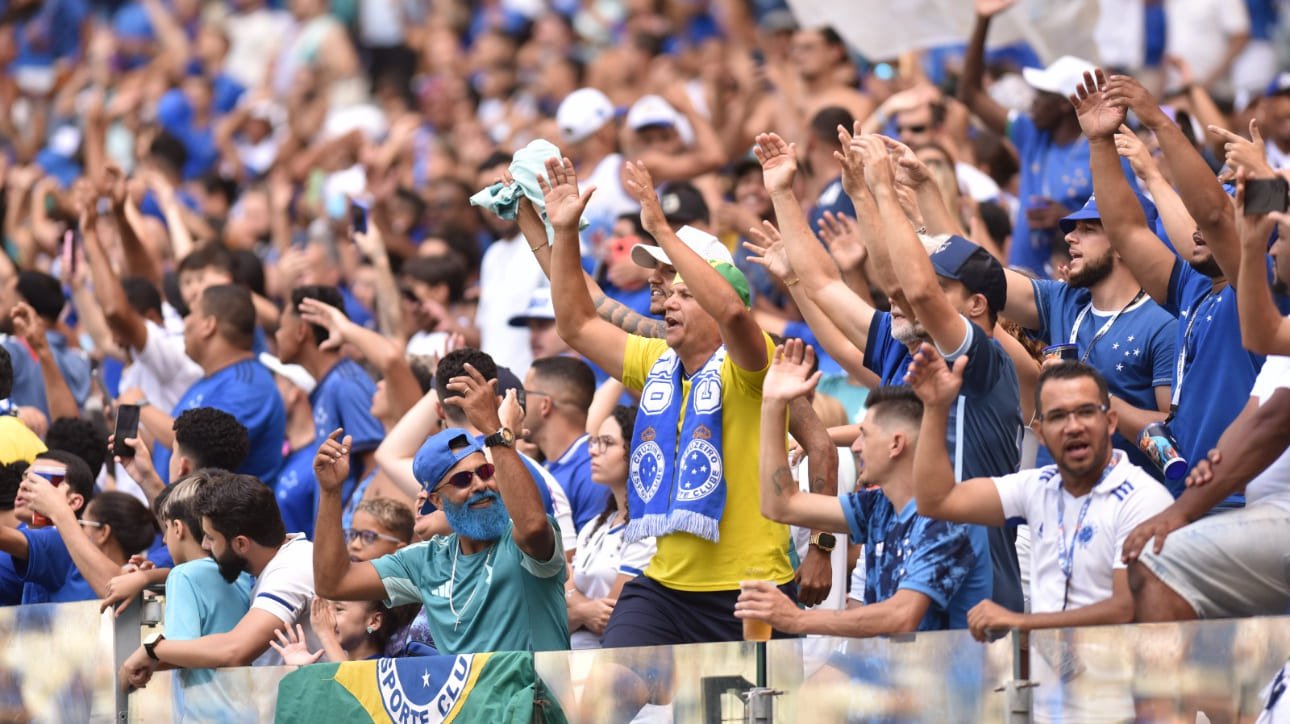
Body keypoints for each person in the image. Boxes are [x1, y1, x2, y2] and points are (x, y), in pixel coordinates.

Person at [750, 131, 1024, 613]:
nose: (900, 293)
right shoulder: (910, 350)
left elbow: (914, 288)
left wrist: (878, 189)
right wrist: (782, 194)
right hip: (900, 566)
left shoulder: (983, 364)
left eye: (942, 286)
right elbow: (825, 283)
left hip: (971, 606)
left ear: (976, 305)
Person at [545, 153, 795, 647]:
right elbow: (575, 323)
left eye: (683, 293)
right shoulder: (656, 360)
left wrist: (660, 228)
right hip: (665, 584)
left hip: (749, 586)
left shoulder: (751, 359)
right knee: (606, 698)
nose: (665, 301)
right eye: (665, 292)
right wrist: (563, 233)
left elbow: (732, 313)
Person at [1074, 69, 1278, 501]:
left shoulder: (1260, 288)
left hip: (1239, 501)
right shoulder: (1194, 289)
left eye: (1215, 212)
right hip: (1184, 497)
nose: (1197, 226)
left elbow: (1216, 216)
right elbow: (1127, 231)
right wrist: (1099, 144)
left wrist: (1159, 122)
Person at [908, 352, 1172, 640]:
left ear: (1110, 422)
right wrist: (935, 408)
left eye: (1085, 412)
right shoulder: (1038, 485)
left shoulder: (1144, 498)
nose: (1073, 427)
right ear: (1041, 433)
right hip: (1050, 681)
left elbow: (1127, 608)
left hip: (1118, 680)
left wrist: (1022, 623)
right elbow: (936, 500)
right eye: (1057, 416)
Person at [736, 341, 992, 637]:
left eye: (865, 435)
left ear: (896, 444)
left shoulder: (951, 517)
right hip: (886, 675)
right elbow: (779, 506)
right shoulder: (878, 505)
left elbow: (901, 617)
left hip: (947, 682)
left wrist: (795, 619)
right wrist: (773, 404)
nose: (855, 446)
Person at [311, 362, 568, 655]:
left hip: (532, 700)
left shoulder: (519, 541)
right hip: (466, 703)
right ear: (436, 500)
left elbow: (535, 527)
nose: (480, 485)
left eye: (485, 472)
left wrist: (495, 432)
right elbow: (334, 583)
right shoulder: (428, 561)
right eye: (462, 479)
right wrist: (331, 493)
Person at [999, 192, 1179, 474]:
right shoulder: (1064, 300)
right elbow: (979, 277)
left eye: (1088, 229)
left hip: (1129, 505)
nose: (1070, 237)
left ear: (1124, 243)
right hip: (1059, 493)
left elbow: (1175, 436)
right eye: (1074, 228)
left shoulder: (1163, 324)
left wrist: (1092, 395)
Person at [119, 471, 318, 688]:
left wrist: (152, 649)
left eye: (211, 538)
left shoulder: (289, 571)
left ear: (241, 544)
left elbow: (234, 650)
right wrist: (149, 576)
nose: (205, 545)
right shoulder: (278, 564)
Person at [958, 0, 1100, 277]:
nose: (1032, 102)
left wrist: (1070, 218)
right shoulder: (1032, 133)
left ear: (1064, 105)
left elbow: (1132, 222)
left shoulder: (1104, 151)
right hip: (1024, 281)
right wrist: (982, 22)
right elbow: (970, 95)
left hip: (1070, 288)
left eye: (1042, 95)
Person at [136, 284, 286, 485]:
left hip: (226, 515)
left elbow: (200, 445)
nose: (184, 322)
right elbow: (176, 451)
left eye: (191, 313)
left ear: (209, 325)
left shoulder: (248, 386)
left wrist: (140, 405)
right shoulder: (209, 380)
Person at [150, 473, 255, 720]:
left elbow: (175, 653)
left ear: (178, 527)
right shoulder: (241, 573)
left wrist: (133, 663)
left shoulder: (182, 576)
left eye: (166, 530)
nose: (164, 540)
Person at [11, 453, 157, 604]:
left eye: (82, 524)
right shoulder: (136, 580)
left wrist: (59, 513)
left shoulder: (60, 544)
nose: (24, 486)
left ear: (103, 532)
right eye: (25, 478)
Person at [567, 405, 657, 649]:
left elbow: (615, 616)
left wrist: (575, 610)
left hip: (615, 661)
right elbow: (560, 605)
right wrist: (585, 612)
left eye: (606, 442)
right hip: (572, 657)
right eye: (594, 442)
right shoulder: (595, 526)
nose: (594, 451)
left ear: (635, 450)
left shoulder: (647, 527)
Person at [275, 285, 383, 484]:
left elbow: (375, 466)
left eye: (281, 327)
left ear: (301, 331)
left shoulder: (347, 385)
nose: (277, 335)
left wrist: (350, 515)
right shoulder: (329, 385)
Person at [523, 356, 610, 530]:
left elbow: (589, 552)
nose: (518, 402)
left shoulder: (592, 471)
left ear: (544, 405)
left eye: (524, 394)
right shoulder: (545, 464)